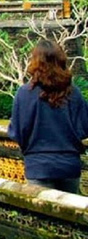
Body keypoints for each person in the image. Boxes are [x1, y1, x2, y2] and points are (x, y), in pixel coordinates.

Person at [8, 40, 88, 194]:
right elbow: (85, 126)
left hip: (38, 166)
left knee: (42, 216)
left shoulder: (24, 93)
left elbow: (17, 132)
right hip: (68, 165)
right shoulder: (73, 93)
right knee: (70, 215)